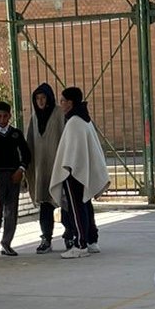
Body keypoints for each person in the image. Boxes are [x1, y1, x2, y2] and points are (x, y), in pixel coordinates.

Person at [49, 87, 109, 260]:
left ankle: (80, 244)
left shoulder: (75, 121)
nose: (61, 104)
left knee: (77, 208)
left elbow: (71, 153)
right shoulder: (84, 119)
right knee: (85, 205)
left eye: (62, 101)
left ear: (70, 102)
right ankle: (91, 240)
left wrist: (68, 168)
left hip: (73, 172)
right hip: (83, 171)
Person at [0, 101, 30, 259]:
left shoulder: (16, 133)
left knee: (11, 211)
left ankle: (7, 243)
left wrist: (21, 169)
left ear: (9, 116)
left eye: (5, 116)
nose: (2, 119)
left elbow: (26, 154)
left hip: (13, 176)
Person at [25, 84, 64, 254]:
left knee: (65, 203)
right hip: (41, 168)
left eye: (43, 98)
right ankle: (46, 238)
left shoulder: (58, 114)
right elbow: (30, 143)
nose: (40, 102)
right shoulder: (34, 118)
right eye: (37, 98)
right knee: (45, 205)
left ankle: (71, 236)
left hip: (58, 166)